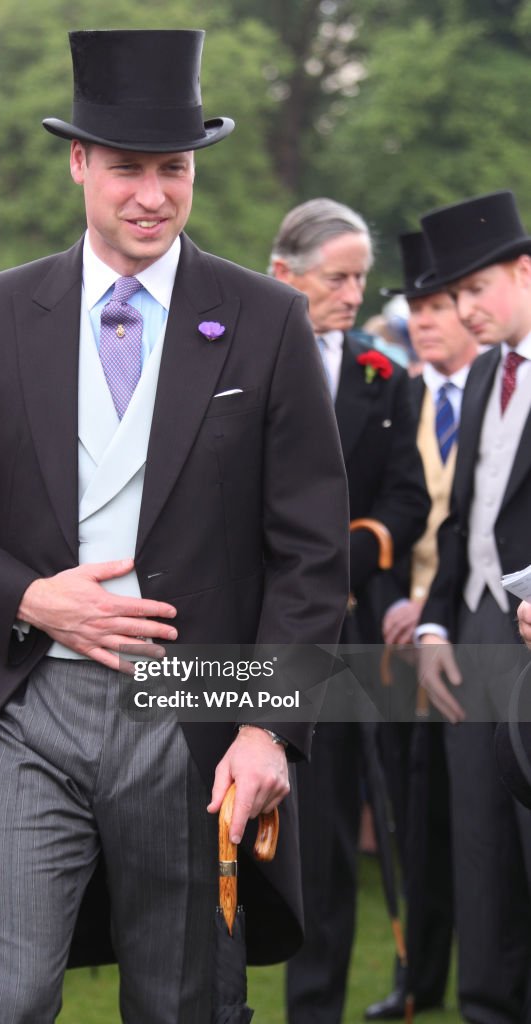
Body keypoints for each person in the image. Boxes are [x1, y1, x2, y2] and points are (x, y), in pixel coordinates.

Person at [0, 29, 350, 1024]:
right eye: (127, 167)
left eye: (172, 169)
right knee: (7, 998)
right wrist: (28, 596)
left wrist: (270, 723)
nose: (152, 194)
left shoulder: (265, 320)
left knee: (181, 1001)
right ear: (79, 163)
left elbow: (310, 552)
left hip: (194, 713)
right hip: (23, 707)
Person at [270, 199, 430, 1024]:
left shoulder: (380, 375)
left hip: (335, 634)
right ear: (282, 275)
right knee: (208, 832)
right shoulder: (229, 357)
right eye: (337, 277)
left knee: (327, 839)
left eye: (360, 278)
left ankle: (313, 1010)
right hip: (240, 628)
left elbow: (405, 499)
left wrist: (345, 557)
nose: (353, 293)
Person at [416, 190, 531, 1024]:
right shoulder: (487, 368)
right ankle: (484, 1009)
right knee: (479, 845)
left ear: (524, 270)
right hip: (470, 631)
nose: (462, 311)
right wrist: (430, 621)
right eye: (452, 297)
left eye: (475, 290)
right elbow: (462, 516)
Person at [365, 230, 479, 1020]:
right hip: (403, 640)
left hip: (488, 636)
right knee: (417, 813)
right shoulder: (399, 395)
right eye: (415, 309)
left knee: (489, 820)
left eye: (437, 306)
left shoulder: (508, 393)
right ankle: (418, 979)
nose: (424, 322)